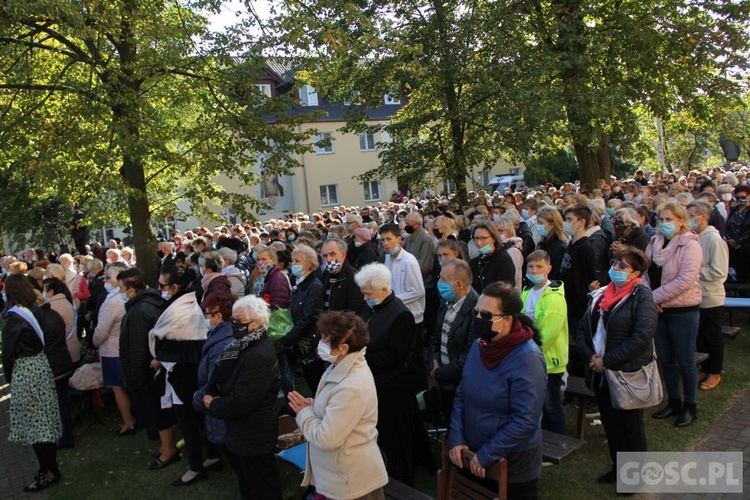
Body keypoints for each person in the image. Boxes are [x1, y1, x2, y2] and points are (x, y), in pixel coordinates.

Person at [447, 282, 546, 498]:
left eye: (486, 314)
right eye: (476, 312)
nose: (478, 319)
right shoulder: (479, 346)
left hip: (511, 463)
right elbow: (462, 393)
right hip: (473, 453)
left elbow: (525, 420)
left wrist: (487, 454)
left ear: (508, 320)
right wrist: (456, 438)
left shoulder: (528, 359)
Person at [576, 248, 657, 484]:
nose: (616, 269)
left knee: (630, 427)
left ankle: (634, 476)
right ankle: (617, 468)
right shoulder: (600, 294)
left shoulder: (642, 297)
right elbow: (583, 329)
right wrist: (590, 356)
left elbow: (641, 338)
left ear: (636, 273)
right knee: (611, 424)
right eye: (615, 263)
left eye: (624, 266)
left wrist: (606, 361)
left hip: (626, 373)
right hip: (600, 372)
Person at [287, 311, 389, 500]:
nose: (321, 343)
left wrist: (304, 413)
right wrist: (316, 405)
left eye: (326, 340)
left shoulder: (351, 386)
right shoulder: (342, 365)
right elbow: (338, 409)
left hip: (352, 482)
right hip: (343, 476)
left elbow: (327, 438)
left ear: (343, 348)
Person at [202, 295, 282, 500]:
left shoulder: (257, 356)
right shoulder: (243, 345)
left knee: (261, 487)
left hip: (253, 436)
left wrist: (215, 404)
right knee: (249, 484)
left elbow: (242, 401)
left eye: (238, 321)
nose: (233, 324)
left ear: (256, 323)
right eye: (233, 320)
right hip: (244, 434)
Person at [356, 263, 417, 486]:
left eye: (368, 293)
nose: (364, 298)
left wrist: (361, 359)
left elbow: (396, 354)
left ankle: (398, 481)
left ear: (383, 290)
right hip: (374, 382)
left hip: (392, 387)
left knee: (394, 439)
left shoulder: (400, 315)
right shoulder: (374, 307)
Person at [2, 274, 63, 492]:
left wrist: (10, 380)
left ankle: (46, 472)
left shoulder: (14, 317)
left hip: (26, 370)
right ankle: (51, 468)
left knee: (36, 424)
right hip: (41, 365)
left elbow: (7, 353)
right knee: (44, 419)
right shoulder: (36, 308)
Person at [645, 201, 702, 428]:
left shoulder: (690, 245)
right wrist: (652, 297)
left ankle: (690, 405)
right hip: (660, 310)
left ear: (681, 220)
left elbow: (685, 281)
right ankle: (674, 401)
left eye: (669, 219)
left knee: (685, 360)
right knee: (666, 359)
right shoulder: (655, 242)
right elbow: (643, 272)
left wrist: (653, 298)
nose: (665, 224)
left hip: (683, 310)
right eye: (661, 219)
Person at [149, 266, 207, 486]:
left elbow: (184, 343)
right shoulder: (180, 303)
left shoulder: (180, 309)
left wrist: (159, 358)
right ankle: (207, 458)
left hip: (183, 372)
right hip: (180, 370)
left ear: (175, 287)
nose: (159, 289)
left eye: (162, 286)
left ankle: (196, 467)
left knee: (188, 422)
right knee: (192, 420)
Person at [117, 268, 177, 468]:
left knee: (157, 410)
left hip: (149, 370)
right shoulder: (148, 302)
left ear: (132, 290)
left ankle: (168, 449)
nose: (119, 291)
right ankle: (165, 445)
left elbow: (138, 348)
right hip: (153, 367)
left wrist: (136, 377)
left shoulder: (139, 310)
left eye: (121, 288)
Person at [522, 250, 568, 434]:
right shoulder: (526, 292)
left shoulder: (554, 297)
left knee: (551, 403)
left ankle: (557, 439)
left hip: (549, 360)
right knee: (536, 402)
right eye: (530, 266)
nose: (534, 271)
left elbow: (549, 333)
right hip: (529, 355)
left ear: (548, 268)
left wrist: (532, 354)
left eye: (539, 266)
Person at [687, 200, 728, 391]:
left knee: (712, 335)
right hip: (695, 294)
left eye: (691, 216)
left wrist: (695, 270)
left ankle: (715, 372)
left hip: (711, 296)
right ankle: (704, 367)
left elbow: (719, 271)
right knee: (700, 335)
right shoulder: (696, 237)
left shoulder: (714, 239)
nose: (688, 220)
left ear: (703, 217)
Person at [428, 259, 479, 412]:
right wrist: (434, 363)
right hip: (443, 376)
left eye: (443, 278)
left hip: (461, 383)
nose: (439, 281)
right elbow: (436, 337)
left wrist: (443, 374)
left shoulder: (476, 310)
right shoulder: (446, 302)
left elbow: (469, 354)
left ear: (458, 285)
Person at [192, 292, 236, 474]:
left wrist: (197, 398)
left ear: (219, 316)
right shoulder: (219, 336)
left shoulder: (221, 344)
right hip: (218, 405)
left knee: (238, 459)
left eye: (207, 315)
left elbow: (215, 381)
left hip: (218, 405)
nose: (205, 318)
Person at [92, 262, 134, 436]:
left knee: (119, 388)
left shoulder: (113, 302)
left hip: (113, 350)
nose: (105, 281)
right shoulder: (127, 297)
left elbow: (102, 330)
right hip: (125, 348)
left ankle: (128, 421)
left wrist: (95, 342)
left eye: (109, 277)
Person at [277, 245, 326, 393]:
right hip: (300, 342)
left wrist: (287, 339)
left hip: (310, 343)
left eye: (297, 261)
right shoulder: (299, 283)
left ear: (308, 264)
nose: (292, 264)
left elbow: (308, 317)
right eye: (292, 260)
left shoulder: (314, 285)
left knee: (316, 382)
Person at [560, 204, 597, 337]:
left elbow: (591, 279)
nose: (566, 223)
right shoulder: (572, 243)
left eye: (570, 220)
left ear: (581, 222)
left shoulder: (585, 248)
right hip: (568, 302)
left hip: (577, 306)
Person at [320, 238, 365, 314]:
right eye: (325, 255)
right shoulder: (325, 274)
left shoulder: (354, 277)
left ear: (343, 255)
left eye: (332, 254)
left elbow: (355, 310)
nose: (328, 259)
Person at [469, 222, 516, 294]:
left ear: (494, 238)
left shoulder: (503, 260)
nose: (479, 243)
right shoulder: (474, 262)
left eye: (483, 238)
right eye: (476, 238)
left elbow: (505, 290)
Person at [724, 184, 750, 283]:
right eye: (738, 197)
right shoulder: (734, 209)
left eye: (743, 197)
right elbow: (727, 226)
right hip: (733, 248)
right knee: (738, 274)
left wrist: (739, 241)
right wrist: (730, 239)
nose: (740, 199)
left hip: (746, 248)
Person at [535, 206, 568, 280]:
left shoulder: (560, 247)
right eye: (538, 222)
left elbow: (557, 274)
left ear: (552, 225)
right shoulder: (543, 243)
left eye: (541, 223)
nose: (538, 226)